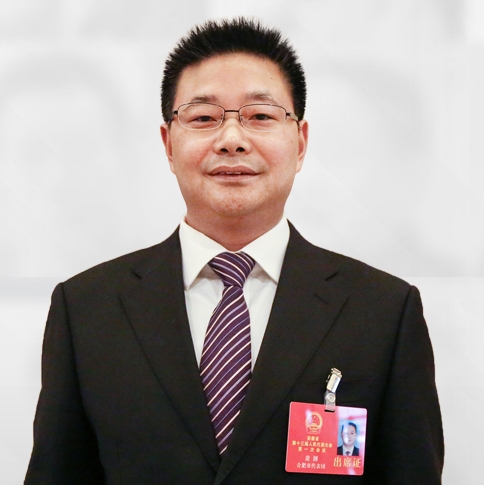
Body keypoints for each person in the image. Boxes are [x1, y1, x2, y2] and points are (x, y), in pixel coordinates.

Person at [25, 18, 444, 484]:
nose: (231, 140)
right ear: (168, 144)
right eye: (203, 118)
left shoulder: (383, 312)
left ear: (300, 142)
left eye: (260, 116)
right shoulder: (87, 308)